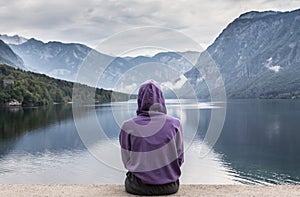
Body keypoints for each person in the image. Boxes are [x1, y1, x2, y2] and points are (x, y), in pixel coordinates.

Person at [119, 80, 184, 196]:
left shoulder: (128, 126)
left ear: (140, 99)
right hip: (170, 186)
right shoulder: (175, 124)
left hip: (138, 186)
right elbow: (180, 159)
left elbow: (126, 161)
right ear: (161, 99)